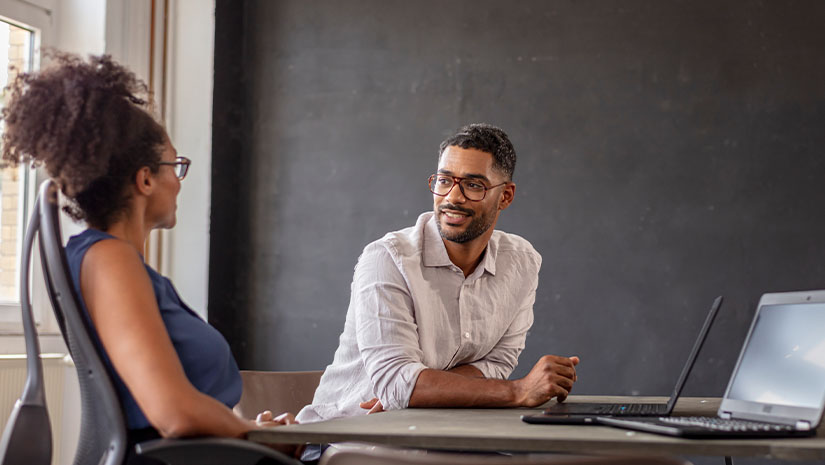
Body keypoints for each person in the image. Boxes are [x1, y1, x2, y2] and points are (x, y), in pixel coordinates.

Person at [0, 52, 295, 464]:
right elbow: (173, 414)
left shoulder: (111, 263)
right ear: (145, 178)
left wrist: (250, 431)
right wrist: (257, 436)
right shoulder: (109, 261)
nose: (179, 180)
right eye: (175, 165)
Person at [296, 123, 579, 430]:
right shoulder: (387, 258)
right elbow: (396, 382)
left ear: (506, 196)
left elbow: (496, 364)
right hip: (350, 437)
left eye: (473, 185)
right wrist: (519, 390)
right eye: (444, 180)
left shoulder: (521, 262)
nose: (452, 197)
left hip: (440, 434)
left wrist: (420, 392)